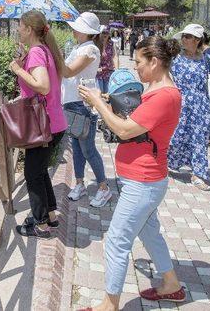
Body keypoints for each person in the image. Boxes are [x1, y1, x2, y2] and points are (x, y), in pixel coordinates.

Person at [78, 36, 186, 311]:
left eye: (139, 62)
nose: (135, 67)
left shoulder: (165, 96)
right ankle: (172, 285)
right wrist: (107, 99)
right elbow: (134, 114)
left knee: (116, 240)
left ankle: (109, 305)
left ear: (155, 61)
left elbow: (125, 130)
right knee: (150, 233)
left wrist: (98, 104)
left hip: (144, 181)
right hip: (142, 180)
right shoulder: (155, 90)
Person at [9, 10, 67, 238]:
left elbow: (43, 86)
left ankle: (40, 225)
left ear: (29, 29)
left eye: (20, 27)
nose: (18, 30)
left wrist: (18, 69)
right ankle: (50, 216)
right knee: (40, 171)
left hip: (44, 126)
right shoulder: (43, 51)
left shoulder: (36, 53)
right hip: (54, 123)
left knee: (32, 173)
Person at [60, 12, 111, 206]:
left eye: (77, 27)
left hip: (83, 104)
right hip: (73, 103)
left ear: (86, 31)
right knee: (77, 148)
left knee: (88, 149)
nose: (73, 30)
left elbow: (68, 71)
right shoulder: (81, 47)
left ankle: (104, 188)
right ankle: (80, 184)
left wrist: (54, 53)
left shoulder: (90, 49)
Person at [167, 24, 210, 191]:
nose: (184, 39)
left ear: (197, 40)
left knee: (200, 140)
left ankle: (198, 174)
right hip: (181, 104)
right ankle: (166, 163)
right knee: (176, 137)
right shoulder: (175, 58)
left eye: (188, 37)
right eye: (184, 36)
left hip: (201, 105)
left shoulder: (206, 59)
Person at [97, 26, 120, 94]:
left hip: (109, 72)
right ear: (99, 33)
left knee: (108, 94)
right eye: (103, 32)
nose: (105, 35)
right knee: (100, 94)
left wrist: (117, 71)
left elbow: (115, 56)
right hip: (98, 73)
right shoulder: (95, 43)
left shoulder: (111, 43)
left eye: (107, 33)